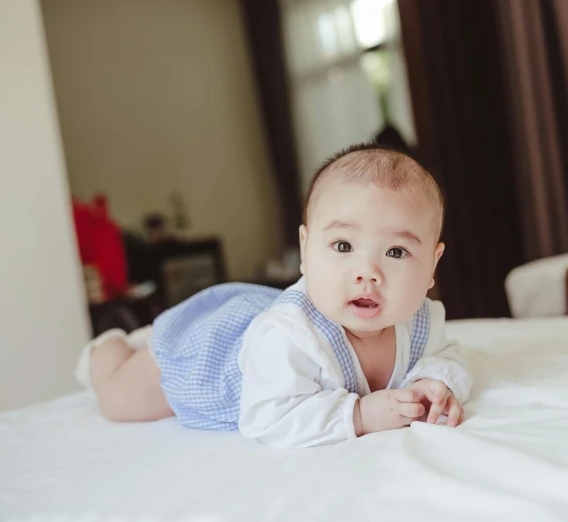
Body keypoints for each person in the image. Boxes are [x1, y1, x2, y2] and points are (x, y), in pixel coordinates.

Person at [74, 143, 472, 448]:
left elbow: (447, 356)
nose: (367, 272)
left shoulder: (420, 319)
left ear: (432, 265)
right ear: (305, 249)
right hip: (214, 359)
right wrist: (359, 416)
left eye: (397, 252)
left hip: (258, 325)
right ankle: (111, 346)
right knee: (119, 399)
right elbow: (265, 416)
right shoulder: (286, 336)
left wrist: (434, 383)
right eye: (343, 246)